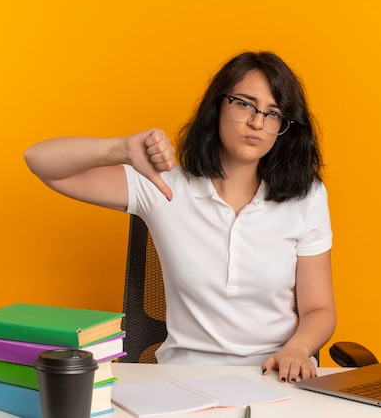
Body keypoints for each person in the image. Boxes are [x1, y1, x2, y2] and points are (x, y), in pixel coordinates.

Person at [24, 51, 336, 383]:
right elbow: (41, 161)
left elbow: (319, 308)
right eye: (245, 104)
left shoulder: (306, 196)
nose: (257, 122)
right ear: (217, 106)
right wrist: (121, 149)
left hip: (274, 375)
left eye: (273, 114)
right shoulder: (163, 186)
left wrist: (298, 349)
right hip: (183, 380)